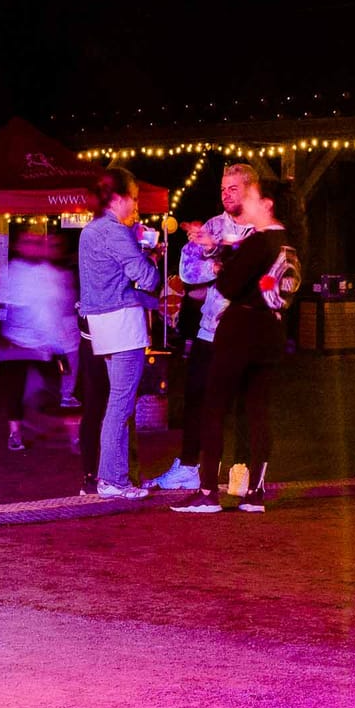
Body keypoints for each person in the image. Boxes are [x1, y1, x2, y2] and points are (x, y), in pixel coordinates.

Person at [173, 178, 294, 513]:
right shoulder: (288, 242)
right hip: (272, 329)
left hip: (241, 328)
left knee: (214, 407)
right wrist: (220, 247)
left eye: (251, 197)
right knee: (258, 410)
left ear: (267, 204)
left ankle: (208, 492)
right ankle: (255, 492)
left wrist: (220, 259)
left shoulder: (259, 240)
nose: (246, 203)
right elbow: (270, 280)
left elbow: (227, 284)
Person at [148, 163, 257, 492]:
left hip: (245, 330)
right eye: (223, 189)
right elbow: (187, 270)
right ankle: (189, 467)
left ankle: (243, 472)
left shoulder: (261, 229)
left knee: (244, 404)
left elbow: (252, 273)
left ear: (250, 190)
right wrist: (217, 265)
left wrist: (215, 253)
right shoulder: (213, 224)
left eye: (233, 188)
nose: (226, 195)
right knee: (196, 396)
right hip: (210, 329)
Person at [77, 167, 161, 500]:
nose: (136, 205)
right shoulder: (115, 231)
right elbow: (147, 278)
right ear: (117, 198)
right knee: (121, 405)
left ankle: (117, 477)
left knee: (117, 402)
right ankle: (112, 479)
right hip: (123, 323)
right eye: (134, 198)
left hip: (101, 324)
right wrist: (150, 257)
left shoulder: (90, 231)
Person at [0, 231, 79, 452]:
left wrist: (62, 344)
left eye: (36, 243)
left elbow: (61, 310)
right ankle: (15, 433)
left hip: (49, 344)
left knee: (56, 388)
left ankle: (66, 432)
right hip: (17, 343)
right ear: (18, 246)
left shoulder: (54, 274)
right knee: (15, 389)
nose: (33, 247)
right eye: (27, 242)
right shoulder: (10, 272)